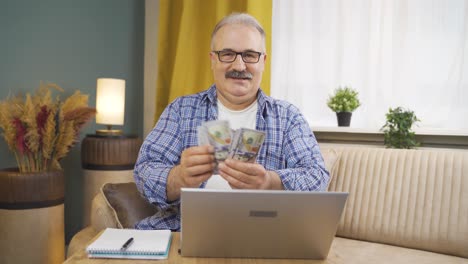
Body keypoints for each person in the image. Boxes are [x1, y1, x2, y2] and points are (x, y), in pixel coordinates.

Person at [133, 13, 329, 230]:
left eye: (250, 55)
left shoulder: (288, 117)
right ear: (213, 59)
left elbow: (317, 178)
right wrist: (177, 177)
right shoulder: (181, 110)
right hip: (185, 229)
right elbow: (144, 171)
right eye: (227, 54)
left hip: (262, 234)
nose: (239, 65)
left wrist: (270, 182)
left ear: (263, 61)